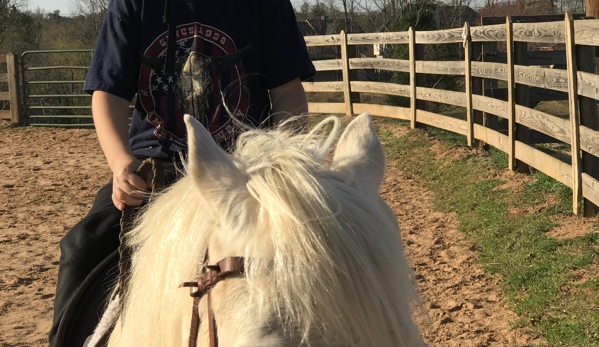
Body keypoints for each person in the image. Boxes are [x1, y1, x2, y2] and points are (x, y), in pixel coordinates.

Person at [49, 0, 315, 345]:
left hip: (244, 173)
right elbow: (107, 95)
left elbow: (287, 90)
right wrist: (121, 165)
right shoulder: (133, 5)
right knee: (81, 248)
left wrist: (282, 165)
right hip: (155, 173)